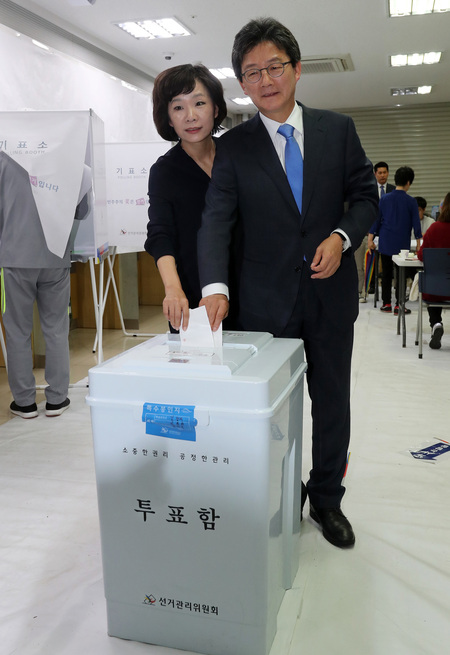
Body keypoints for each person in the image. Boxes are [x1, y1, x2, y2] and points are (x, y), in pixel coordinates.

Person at [197, 18, 378, 548]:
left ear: (296, 70)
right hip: (263, 302)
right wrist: (215, 287)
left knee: (332, 402)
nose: (265, 79)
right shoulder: (234, 147)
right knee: (269, 411)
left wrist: (343, 237)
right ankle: (272, 493)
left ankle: (326, 500)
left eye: (274, 66)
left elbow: (365, 198)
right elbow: (216, 220)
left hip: (329, 295)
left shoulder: (337, 129)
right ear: (243, 85)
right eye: (251, 72)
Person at [144, 64, 228, 332]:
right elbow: (160, 234)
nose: (190, 116)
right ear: (168, 118)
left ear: (215, 109)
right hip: (193, 296)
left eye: (199, 103)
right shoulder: (165, 171)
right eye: (178, 107)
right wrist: (173, 289)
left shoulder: (237, 156)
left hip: (252, 290)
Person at [0, 152, 71, 419]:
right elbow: (82, 209)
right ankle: (57, 399)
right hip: (55, 258)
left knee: (17, 332)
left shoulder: (4, 159)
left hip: (14, 258)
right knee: (56, 330)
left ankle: (25, 402)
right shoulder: (66, 157)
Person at [368, 166, 422, 314]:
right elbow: (416, 224)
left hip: (386, 241)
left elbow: (377, 220)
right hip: (402, 244)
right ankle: (399, 304)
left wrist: (370, 238)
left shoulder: (384, 198)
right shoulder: (411, 201)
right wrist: (418, 243)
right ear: (408, 182)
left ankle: (386, 303)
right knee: (401, 274)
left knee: (386, 273)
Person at [355, 162, 395, 302]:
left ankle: (386, 295)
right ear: (375, 174)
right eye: (380, 173)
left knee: (386, 266)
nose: (382, 175)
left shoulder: (393, 190)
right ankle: (364, 290)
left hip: (386, 234)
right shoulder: (368, 190)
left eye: (385, 172)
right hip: (367, 233)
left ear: (388, 173)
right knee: (365, 264)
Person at [416, 192, 450, 349]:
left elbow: (422, 255)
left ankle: (436, 323)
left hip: (434, 288)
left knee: (432, 286)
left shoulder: (434, 228)